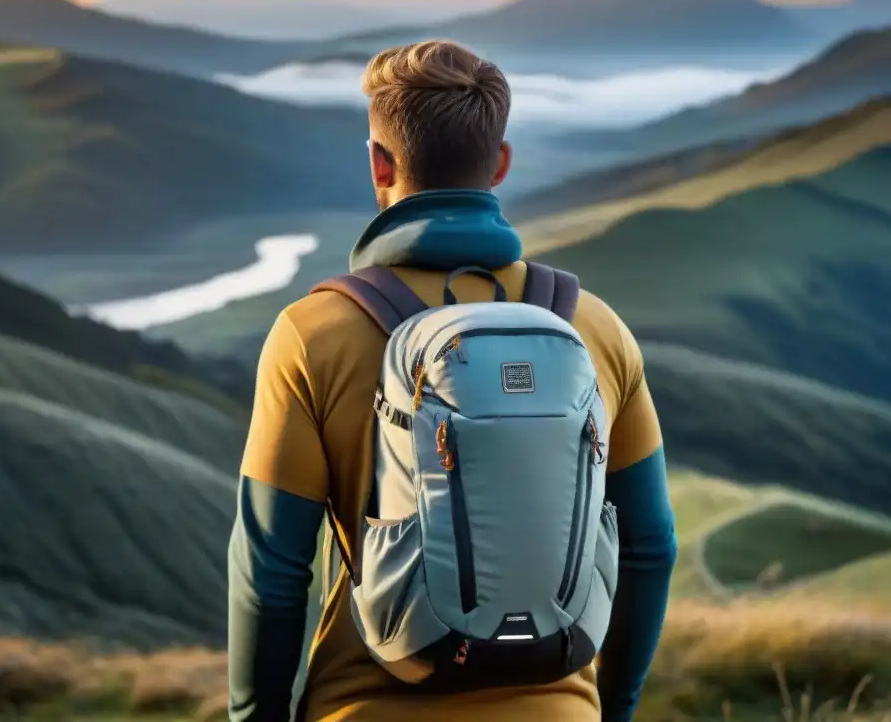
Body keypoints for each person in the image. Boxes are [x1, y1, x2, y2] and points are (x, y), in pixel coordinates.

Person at [227, 40, 678, 722]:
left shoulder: (312, 335)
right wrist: (611, 710)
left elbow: (271, 574)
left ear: (379, 165)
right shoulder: (596, 330)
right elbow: (650, 547)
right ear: (499, 164)